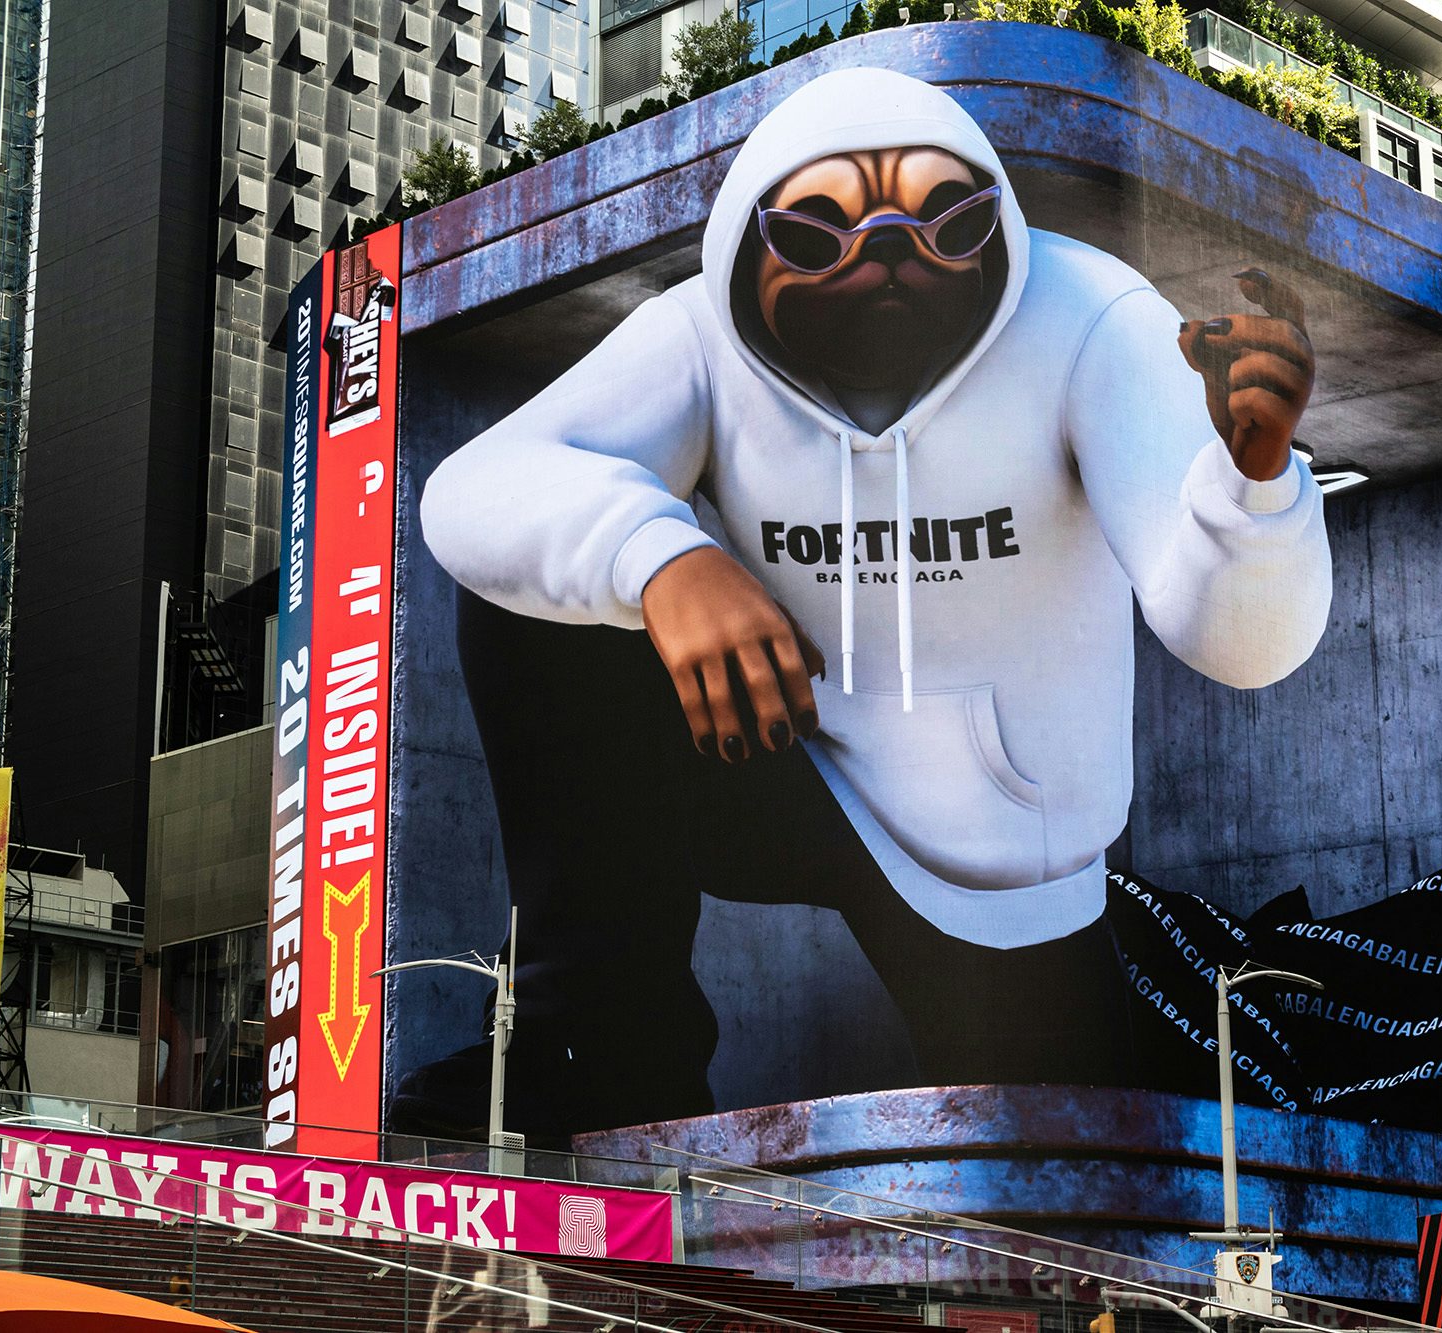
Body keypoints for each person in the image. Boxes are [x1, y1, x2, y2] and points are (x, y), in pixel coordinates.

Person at [401, 67, 1333, 1139]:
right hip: (774, 748)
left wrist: (1253, 492)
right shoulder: (699, 336)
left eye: (947, 219)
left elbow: (1234, 641)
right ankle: (601, 1045)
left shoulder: (1090, 319)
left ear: (998, 225)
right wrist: (662, 560)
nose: (886, 251)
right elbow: (477, 487)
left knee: (1056, 1190)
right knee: (541, 593)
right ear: (748, 249)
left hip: (992, 848)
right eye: (816, 236)